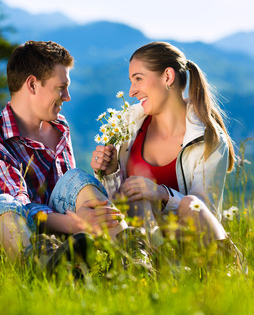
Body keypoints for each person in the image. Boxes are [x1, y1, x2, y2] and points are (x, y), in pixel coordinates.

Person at [0, 40, 128, 270]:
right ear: (32, 84)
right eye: (61, 88)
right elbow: (13, 208)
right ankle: (40, 267)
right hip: (7, 237)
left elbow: (66, 194)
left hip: (67, 231)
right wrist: (75, 223)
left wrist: (102, 178)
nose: (67, 97)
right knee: (4, 203)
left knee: (76, 178)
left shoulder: (60, 127)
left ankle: (131, 259)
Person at [91, 41, 236, 248]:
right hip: (143, 241)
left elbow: (205, 213)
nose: (132, 91)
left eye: (138, 79)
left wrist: (162, 193)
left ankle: (223, 263)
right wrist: (111, 171)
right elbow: (116, 203)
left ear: (167, 77)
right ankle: (146, 262)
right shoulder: (129, 125)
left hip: (191, 245)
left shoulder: (209, 139)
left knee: (190, 204)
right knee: (137, 197)